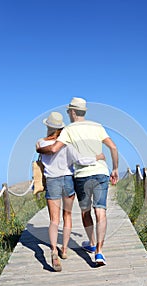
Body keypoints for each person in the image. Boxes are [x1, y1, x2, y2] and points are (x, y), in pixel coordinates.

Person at [37, 98, 119, 266]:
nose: (68, 114)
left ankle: (73, 246)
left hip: (76, 177)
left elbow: (52, 149)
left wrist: (39, 149)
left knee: (77, 214)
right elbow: (111, 148)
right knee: (98, 211)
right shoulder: (96, 127)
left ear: (73, 112)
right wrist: (113, 167)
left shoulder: (65, 132)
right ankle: (96, 252)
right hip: (92, 174)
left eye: (69, 111)